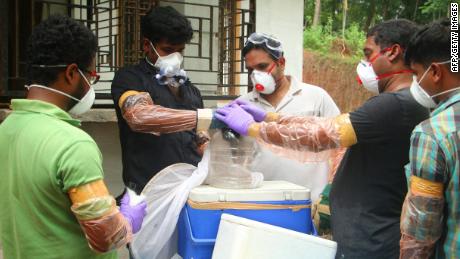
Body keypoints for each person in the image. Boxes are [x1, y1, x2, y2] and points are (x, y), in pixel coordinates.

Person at [216, 19, 430, 258]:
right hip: (364, 229)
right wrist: (271, 117)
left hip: (372, 236)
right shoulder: (398, 102)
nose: (364, 63)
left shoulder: (394, 104)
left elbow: (323, 134)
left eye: (368, 54)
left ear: (393, 52)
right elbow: (324, 127)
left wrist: (253, 127)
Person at [0, 15, 146, 259]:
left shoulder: (7, 129)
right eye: (90, 76)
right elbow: (106, 237)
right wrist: (129, 218)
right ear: (71, 73)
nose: (90, 84)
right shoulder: (72, 144)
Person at [111, 6, 220, 194]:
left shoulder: (190, 89)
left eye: (180, 51)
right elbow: (140, 116)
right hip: (148, 193)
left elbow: (200, 137)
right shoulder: (130, 79)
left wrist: (221, 155)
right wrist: (205, 116)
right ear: (147, 45)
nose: (175, 57)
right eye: (168, 50)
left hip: (188, 190)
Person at [236, 32, 340, 201]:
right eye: (250, 70)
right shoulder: (243, 105)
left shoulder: (316, 97)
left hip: (310, 201)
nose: (256, 75)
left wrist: (329, 193)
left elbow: (339, 141)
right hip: (261, 200)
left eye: (262, 67)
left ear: (281, 63)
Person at [400, 20, 460, 259]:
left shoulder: (433, 133)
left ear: (435, 72)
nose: (415, 83)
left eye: (416, 74)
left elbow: (420, 233)